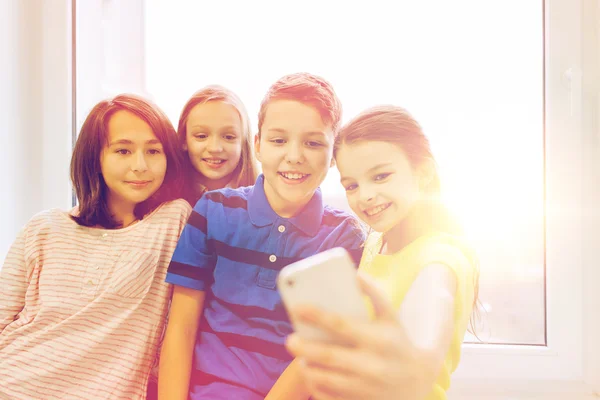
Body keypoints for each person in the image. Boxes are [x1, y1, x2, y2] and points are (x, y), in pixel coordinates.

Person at [157, 72, 365, 400]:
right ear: (257, 144)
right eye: (279, 140)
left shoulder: (345, 238)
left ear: (333, 152)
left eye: (313, 143)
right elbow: (180, 327)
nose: (294, 156)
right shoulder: (213, 211)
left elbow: (315, 353)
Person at [0, 94, 192, 400]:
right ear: (95, 158)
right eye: (123, 150)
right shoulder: (45, 227)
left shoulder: (175, 219)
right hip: (12, 382)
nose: (140, 165)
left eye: (153, 151)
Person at [285, 105, 479, 400]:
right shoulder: (377, 242)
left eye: (380, 176)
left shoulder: (440, 257)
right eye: (351, 185)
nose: (364, 195)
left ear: (423, 172)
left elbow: (427, 328)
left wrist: (411, 368)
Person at [177, 85, 258, 205]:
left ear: (243, 142)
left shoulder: (263, 200)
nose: (215, 148)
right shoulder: (167, 204)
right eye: (201, 136)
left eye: (229, 137)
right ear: (184, 139)